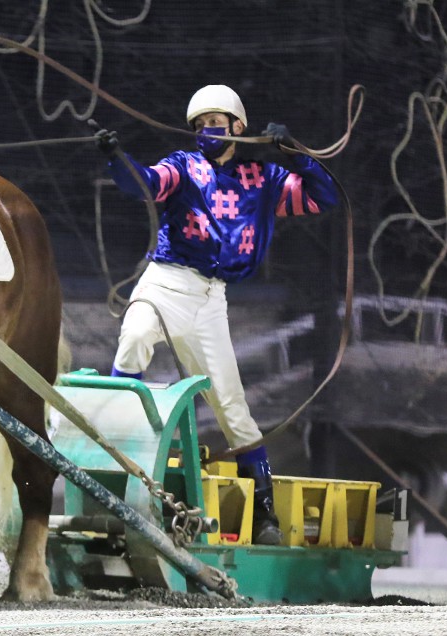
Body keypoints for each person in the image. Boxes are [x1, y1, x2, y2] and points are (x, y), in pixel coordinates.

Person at [95, 84, 340, 545]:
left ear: (237, 128)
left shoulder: (266, 180)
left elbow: (323, 197)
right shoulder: (182, 166)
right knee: (134, 337)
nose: (206, 131)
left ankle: (265, 516)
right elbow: (145, 183)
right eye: (200, 125)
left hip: (211, 301)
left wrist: (296, 155)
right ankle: (112, 470)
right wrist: (116, 159)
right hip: (165, 282)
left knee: (234, 409)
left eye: (215, 123)